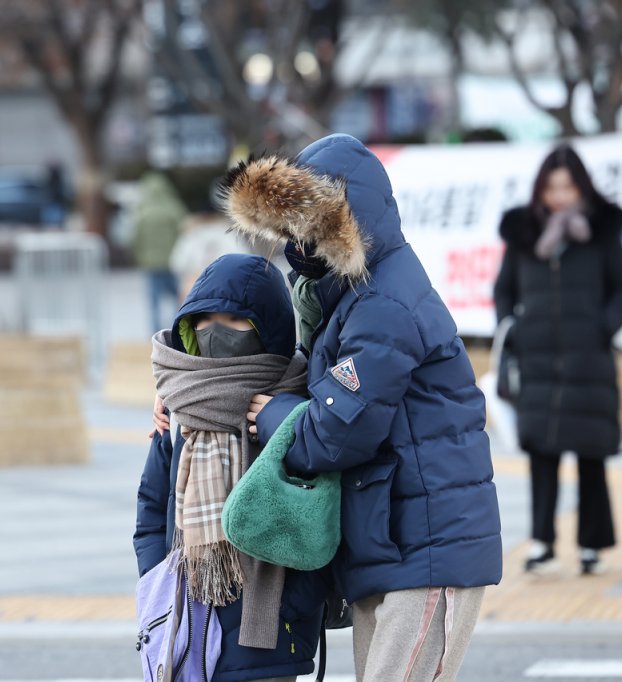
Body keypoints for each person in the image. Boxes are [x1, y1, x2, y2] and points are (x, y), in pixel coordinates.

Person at [222, 135, 502, 682]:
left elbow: (338, 433)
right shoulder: (349, 296)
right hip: (392, 547)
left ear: (344, 220)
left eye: (307, 225)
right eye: (288, 229)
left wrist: (276, 417)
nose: (295, 244)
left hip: (427, 548)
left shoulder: (383, 303)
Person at [135, 253, 330, 682]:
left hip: (270, 636)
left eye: (234, 319)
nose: (216, 329)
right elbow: (151, 506)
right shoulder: (180, 407)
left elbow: (320, 517)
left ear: (268, 327)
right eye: (205, 319)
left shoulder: (293, 412)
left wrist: (293, 605)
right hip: (185, 623)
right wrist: (156, 581)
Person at [493, 144, 622, 576]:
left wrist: (603, 328)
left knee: (591, 456)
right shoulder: (523, 234)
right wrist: (512, 327)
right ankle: (542, 542)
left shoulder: (601, 232)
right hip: (536, 362)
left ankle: (591, 544)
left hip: (588, 362)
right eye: (552, 187)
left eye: (567, 187)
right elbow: (504, 290)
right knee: (542, 453)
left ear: (582, 188)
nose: (560, 196)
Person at [131, 171, 187, 332]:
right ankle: (180, 330)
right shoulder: (174, 208)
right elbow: (185, 232)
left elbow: (135, 240)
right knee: (179, 298)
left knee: (154, 302)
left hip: (151, 263)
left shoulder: (142, 212)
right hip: (173, 261)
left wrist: (138, 258)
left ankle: (155, 333)